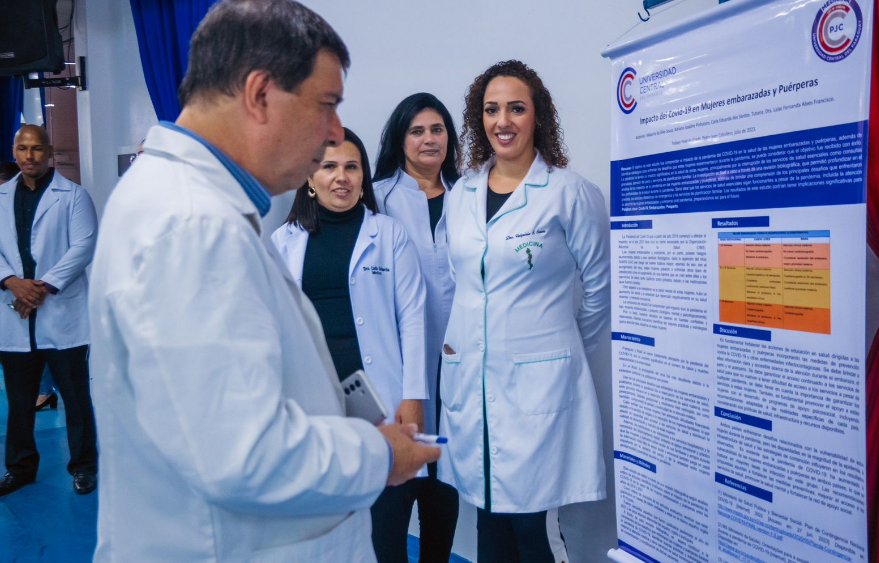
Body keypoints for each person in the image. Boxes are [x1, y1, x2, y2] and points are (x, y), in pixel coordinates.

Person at [87, 1, 439, 562]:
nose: (335, 133)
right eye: (326, 105)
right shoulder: (191, 226)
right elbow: (243, 455)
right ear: (259, 94)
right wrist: (378, 454)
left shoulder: (198, 208)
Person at [441, 60, 611, 563]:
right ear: (478, 119)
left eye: (517, 108)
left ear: (538, 116)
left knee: (530, 528)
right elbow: (463, 282)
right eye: (491, 110)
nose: (503, 121)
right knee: (488, 517)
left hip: (540, 388)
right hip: (473, 382)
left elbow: (599, 292)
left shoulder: (568, 192)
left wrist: (556, 353)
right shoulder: (462, 194)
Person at [273, 127, 428, 563]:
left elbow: (413, 319)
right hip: (312, 400)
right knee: (325, 521)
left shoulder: (389, 235)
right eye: (329, 167)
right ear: (310, 177)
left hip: (377, 398)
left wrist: (413, 397)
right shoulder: (282, 243)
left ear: (363, 177)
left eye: (351, 167)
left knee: (386, 524)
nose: (341, 177)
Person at [372, 93, 462, 562]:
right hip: (397, 362)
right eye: (417, 131)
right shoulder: (378, 197)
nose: (429, 139)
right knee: (395, 488)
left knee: (443, 485)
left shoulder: (468, 195)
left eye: (438, 129)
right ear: (400, 139)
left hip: (456, 363)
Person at [0, 125, 99, 496]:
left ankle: (84, 466)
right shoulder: (1, 196)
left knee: (75, 397)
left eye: (37, 149)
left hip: (60, 315)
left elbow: (84, 246)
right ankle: (20, 468)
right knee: (20, 400)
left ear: (49, 152)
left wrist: (38, 289)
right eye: (22, 148)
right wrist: (12, 282)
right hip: (14, 314)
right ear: (14, 151)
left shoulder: (73, 196)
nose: (29, 156)